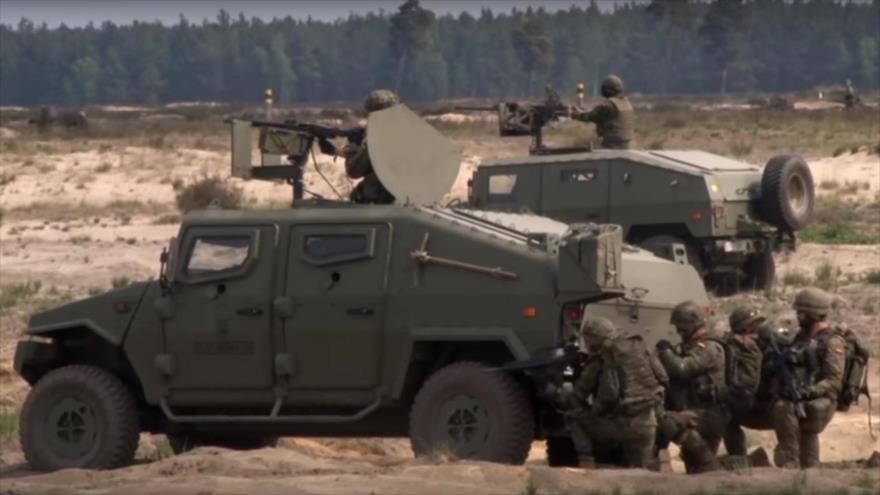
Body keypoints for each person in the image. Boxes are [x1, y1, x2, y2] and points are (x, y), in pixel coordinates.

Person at [564, 317, 668, 469]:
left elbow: (587, 396)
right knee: (641, 470)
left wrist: (592, 410)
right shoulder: (639, 348)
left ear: (593, 341)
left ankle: (587, 464)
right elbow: (663, 378)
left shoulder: (602, 359)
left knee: (573, 417)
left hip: (621, 426)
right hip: (649, 424)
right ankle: (658, 460)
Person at [771, 287, 845, 469]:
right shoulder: (802, 337)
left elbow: (834, 380)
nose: (798, 317)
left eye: (800, 313)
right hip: (801, 396)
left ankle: (792, 465)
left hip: (821, 400)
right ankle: (805, 469)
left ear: (810, 314)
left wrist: (808, 391)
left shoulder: (832, 342)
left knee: (786, 410)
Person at [655, 301, 729, 474]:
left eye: (682, 328)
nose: (679, 332)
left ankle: (717, 468)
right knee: (695, 469)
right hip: (694, 412)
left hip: (709, 414)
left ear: (693, 324)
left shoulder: (708, 347)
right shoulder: (689, 347)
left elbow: (682, 369)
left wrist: (665, 352)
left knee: (669, 423)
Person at [319, 89, 399, 204]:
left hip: (380, 203)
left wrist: (352, 146)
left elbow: (355, 171)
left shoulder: (379, 139)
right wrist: (336, 151)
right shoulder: (405, 133)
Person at [571, 74, 634, 149]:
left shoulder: (608, 105)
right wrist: (581, 111)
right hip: (626, 145)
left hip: (611, 145)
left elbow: (590, 116)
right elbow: (597, 114)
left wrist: (576, 115)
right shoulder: (627, 103)